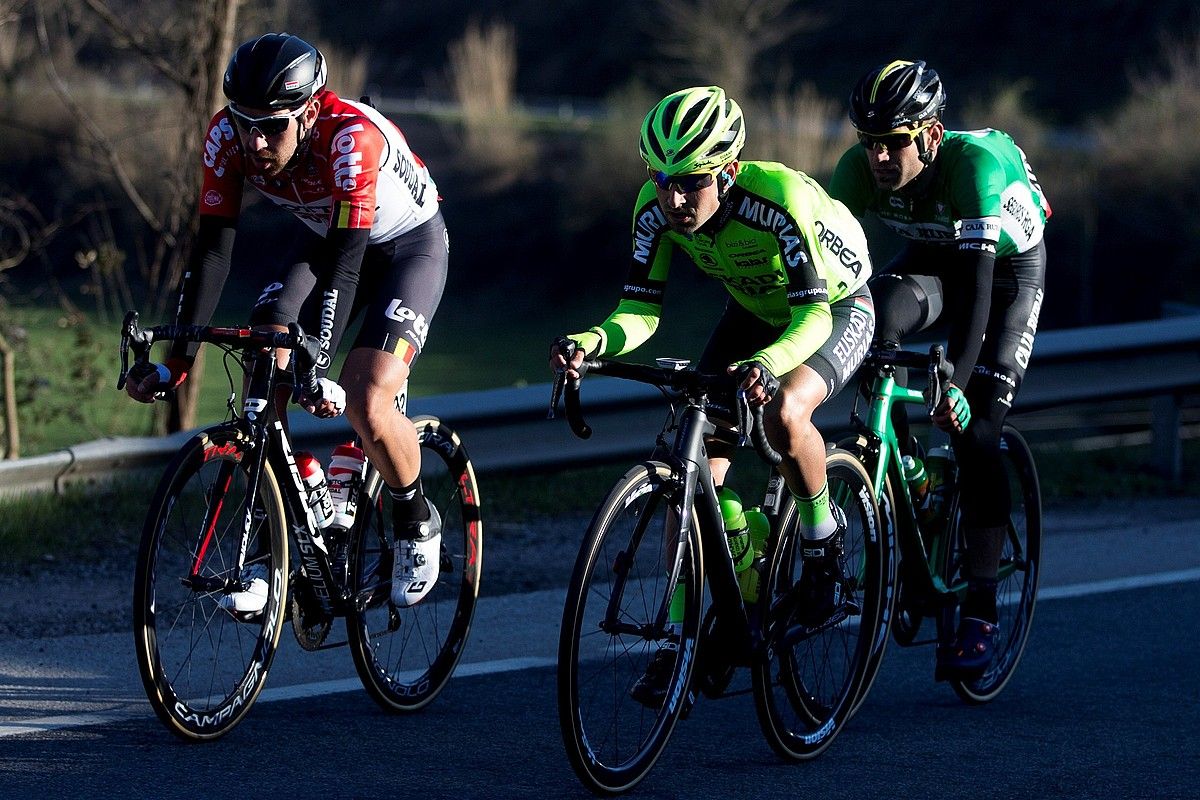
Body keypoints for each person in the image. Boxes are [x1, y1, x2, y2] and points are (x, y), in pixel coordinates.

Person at [550, 86, 876, 705]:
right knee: (693, 471)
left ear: (726, 173)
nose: (673, 199)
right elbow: (640, 311)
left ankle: (822, 543)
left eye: (690, 182)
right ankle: (689, 634)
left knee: (785, 411)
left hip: (833, 308)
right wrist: (594, 340)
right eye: (662, 179)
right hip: (755, 310)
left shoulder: (778, 201)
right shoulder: (654, 207)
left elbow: (811, 323)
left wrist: (767, 365)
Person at [124, 33, 448, 613]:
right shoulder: (226, 136)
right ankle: (275, 545)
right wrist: (176, 363)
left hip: (405, 247)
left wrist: (317, 366)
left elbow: (349, 268)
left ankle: (415, 513)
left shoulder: (351, 140)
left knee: (365, 397)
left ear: (310, 111)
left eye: (272, 126)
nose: (255, 140)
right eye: (245, 121)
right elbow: (212, 254)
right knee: (265, 338)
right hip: (330, 234)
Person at [828, 60, 1050, 680]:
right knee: (873, 323)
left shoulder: (974, 167)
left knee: (977, 430)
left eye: (894, 143)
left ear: (930, 133)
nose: (878, 158)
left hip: (1003, 276)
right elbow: (825, 273)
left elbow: (978, 295)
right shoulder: (857, 172)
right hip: (933, 257)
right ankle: (914, 478)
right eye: (868, 142)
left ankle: (981, 605)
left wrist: (954, 381)